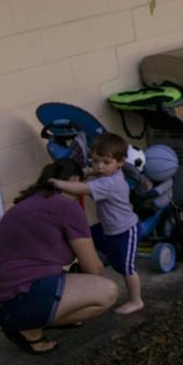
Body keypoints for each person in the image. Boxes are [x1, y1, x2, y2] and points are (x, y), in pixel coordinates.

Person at [0, 159, 119, 354]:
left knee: (70, 279)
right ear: (75, 181)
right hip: (14, 300)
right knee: (107, 292)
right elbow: (94, 268)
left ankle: (34, 317)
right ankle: (29, 327)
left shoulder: (29, 203)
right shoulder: (68, 207)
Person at [50, 132, 143, 314]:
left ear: (120, 162)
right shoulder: (109, 172)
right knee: (86, 239)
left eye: (106, 162)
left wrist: (58, 183)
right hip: (108, 228)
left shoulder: (110, 182)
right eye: (95, 160)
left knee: (126, 268)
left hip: (125, 230)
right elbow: (91, 172)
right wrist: (86, 170)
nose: (99, 167)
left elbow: (83, 188)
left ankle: (136, 300)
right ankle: (89, 272)